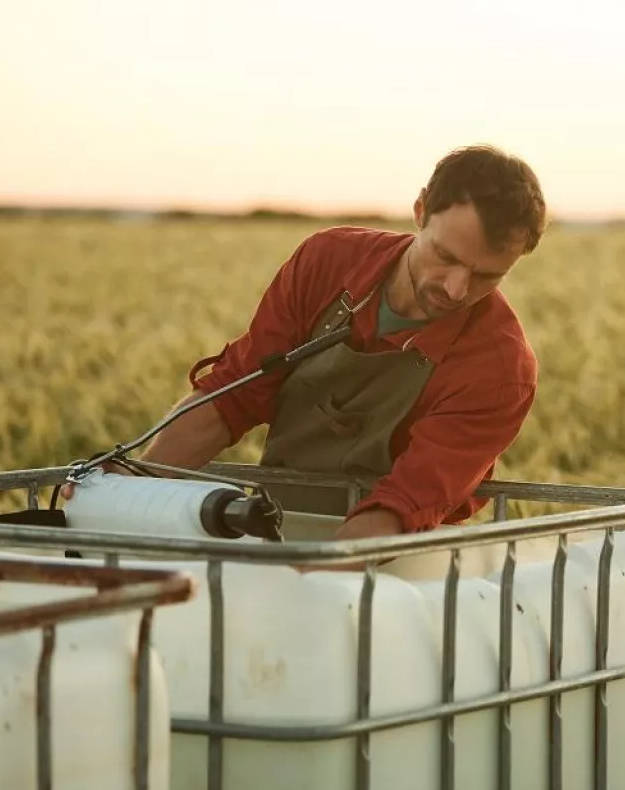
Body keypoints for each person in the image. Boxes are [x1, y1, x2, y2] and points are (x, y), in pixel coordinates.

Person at [63, 144, 548, 544]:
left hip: (394, 565)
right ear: (421, 210)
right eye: (445, 256)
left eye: (487, 274)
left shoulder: (500, 367)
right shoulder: (327, 262)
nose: (457, 288)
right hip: (267, 525)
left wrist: (308, 585)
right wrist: (138, 487)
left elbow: (403, 505)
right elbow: (235, 393)